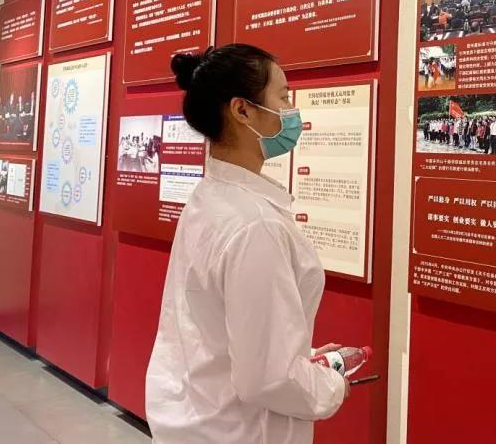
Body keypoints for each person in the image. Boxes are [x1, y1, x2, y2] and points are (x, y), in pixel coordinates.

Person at [146, 44, 349, 444]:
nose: (291, 111)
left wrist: (301, 362)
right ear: (242, 110)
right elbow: (269, 380)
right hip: (241, 429)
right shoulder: (256, 225)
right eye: (283, 97)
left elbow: (231, 331)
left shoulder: (212, 197)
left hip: (199, 416)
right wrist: (332, 385)